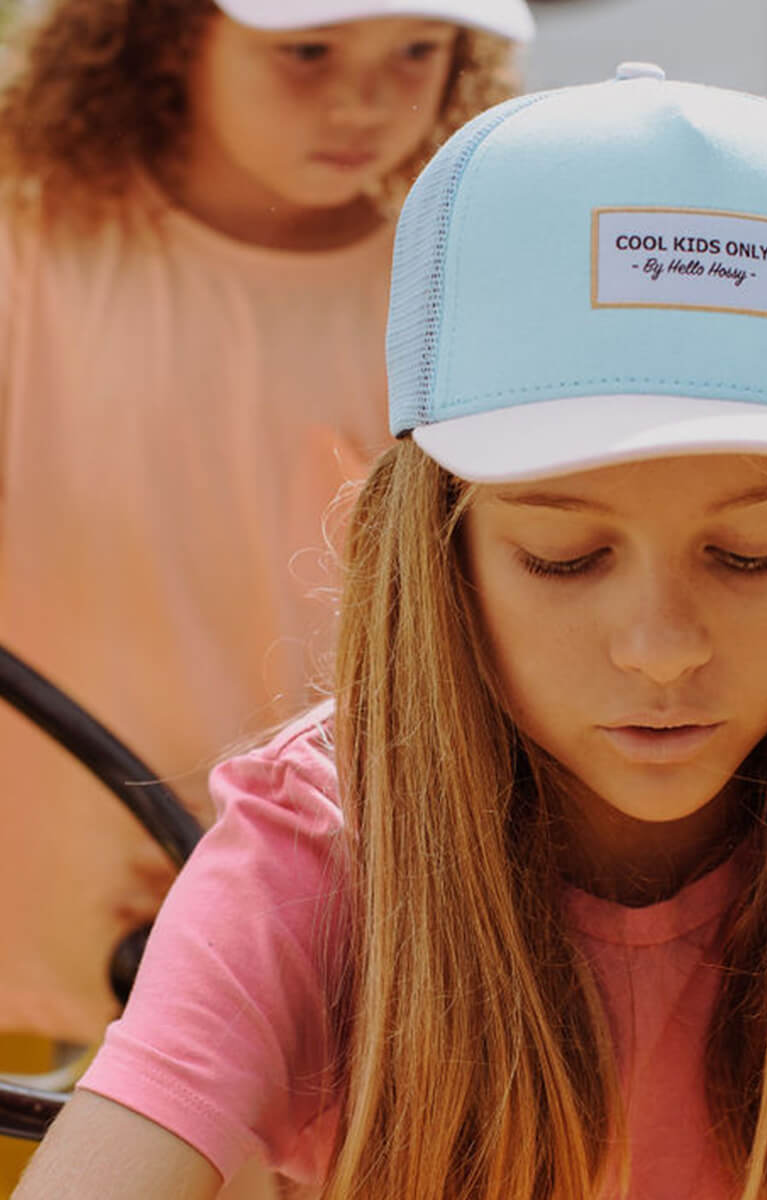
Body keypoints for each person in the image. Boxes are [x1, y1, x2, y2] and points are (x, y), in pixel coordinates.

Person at [16, 65, 767, 1199]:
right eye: (564, 559)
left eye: (750, 554)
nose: (662, 647)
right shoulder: (314, 845)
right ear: (439, 553)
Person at [0, 0, 531, 1042]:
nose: (364, 102)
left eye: (417, 50)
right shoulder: (28, 234)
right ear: (169, 31)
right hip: (27, 956)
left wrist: (277, 862)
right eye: (306, 51)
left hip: (322, 959)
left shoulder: (460, 281)